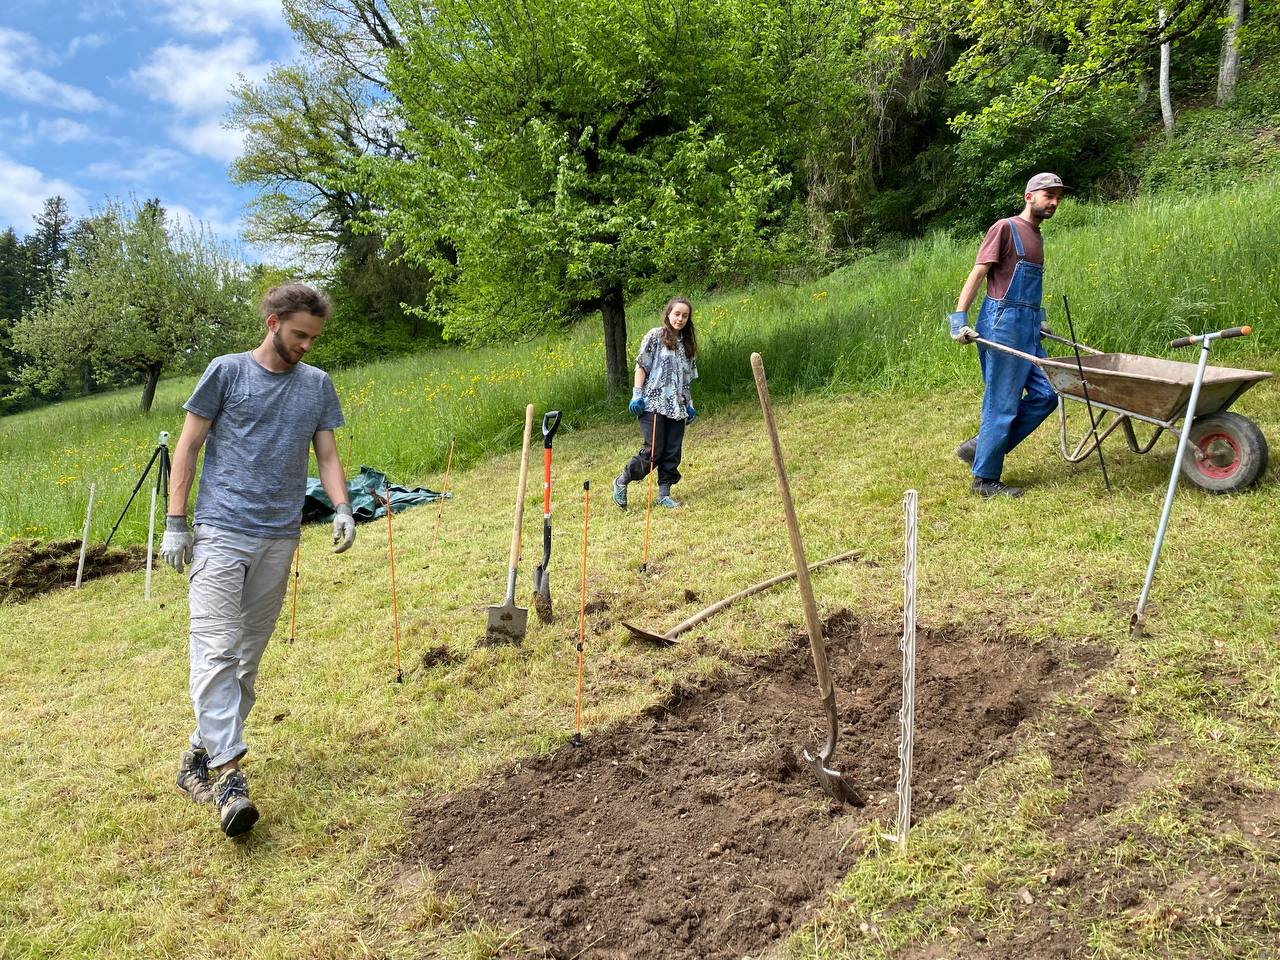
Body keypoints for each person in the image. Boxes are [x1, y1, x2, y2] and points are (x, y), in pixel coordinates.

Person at [160, 282, 356, 838]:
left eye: (314, 338)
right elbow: (188, 446)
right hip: (221, 532)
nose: (306, 346)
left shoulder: (317, 385)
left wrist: (341, 507)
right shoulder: (226, 372)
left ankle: (200, 754)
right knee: (217, 647)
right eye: (299, 335)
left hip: (279, 536)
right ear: (272, 323)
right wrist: (177, 522)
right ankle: (228, 779)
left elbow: (326, 452)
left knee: (246, 660)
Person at [948, 172, 1066, 498]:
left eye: (1057, 197)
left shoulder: (1037, 237)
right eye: (1048, 195)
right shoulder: (1006, 228)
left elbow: (1031, 289)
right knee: (1002, 403)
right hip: (1001, 325)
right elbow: (978, 274)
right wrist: (958, 320)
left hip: (1027, 326)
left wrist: (1038, 319)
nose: (1054, 202)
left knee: (1047, 394)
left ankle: (981, 447)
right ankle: (985, 481)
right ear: (1029, 196)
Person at [613, 297, 699, 510]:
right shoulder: (655, 336)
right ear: (668, 314)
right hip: (652, 403)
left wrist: (690, 404)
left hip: (676, 407)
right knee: (654, 451)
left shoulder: (687, 346)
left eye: (685, 315)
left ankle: (664, 495)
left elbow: (686, 380)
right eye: (677, 314)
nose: (680, 318)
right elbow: (641, 366)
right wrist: (636, 394)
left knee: (672, 452)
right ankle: (622, 480)